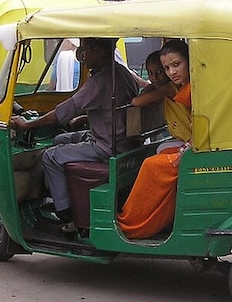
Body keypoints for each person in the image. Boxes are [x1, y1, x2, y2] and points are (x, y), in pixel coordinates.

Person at [10, 37, 140, 234]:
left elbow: (62, 113)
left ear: (100, 51)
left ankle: (66, 213)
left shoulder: (99, 80)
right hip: (123, 140)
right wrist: (82, 119)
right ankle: (62, 193)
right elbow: (107, 109)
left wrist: (29, 124)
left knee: (49, 156)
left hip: (106, 147)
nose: (83, 55)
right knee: (60, 139)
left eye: (86, 49)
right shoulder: (121, 71)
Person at [116, 39, 192, 239]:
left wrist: (150, 87)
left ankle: (131, 222)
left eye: (176, 65)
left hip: (194, 146)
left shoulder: (175, 88)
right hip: (186, 142)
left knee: (150, 165)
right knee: (158, 150)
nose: (171, 73)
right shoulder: (179, 85)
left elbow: (137, 101)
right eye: (167, 68)